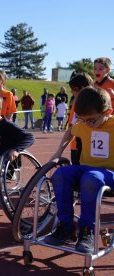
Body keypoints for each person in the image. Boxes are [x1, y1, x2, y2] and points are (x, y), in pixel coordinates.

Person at [44, 87, 114, 254]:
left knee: (91, 178)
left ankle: (87, 230)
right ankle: (66, 226)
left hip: (109, 172)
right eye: (83, 120)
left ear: (108, 111)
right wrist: (58, 152)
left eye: (91, 121)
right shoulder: (83, 124)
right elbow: (70, 131)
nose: (87, 124)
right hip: (86, 169)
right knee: (60, 174)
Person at [66, 73, 94, 165]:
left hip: (85, 148)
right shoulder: (76, 103)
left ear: (82, 88)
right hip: (79, 146)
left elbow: (71, 126)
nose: (71, 92)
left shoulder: (80, 103)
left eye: (73, 89)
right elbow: (71, 126)